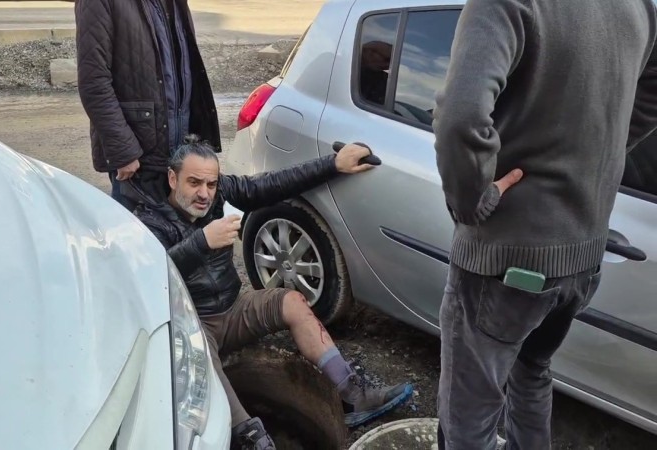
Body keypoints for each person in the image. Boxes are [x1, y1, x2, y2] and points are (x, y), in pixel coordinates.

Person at [431, 0, 657, 449]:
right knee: (531, 373)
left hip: (506, 261)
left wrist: (471, 201)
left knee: (468, 414)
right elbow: (650, 95)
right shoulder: (640, 7)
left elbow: (460, 117)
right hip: (582, 257)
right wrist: (594, 152)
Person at [135, 135, 414, 449]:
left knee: (292, 301)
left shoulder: (220, 192)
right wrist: (201, 242)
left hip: (234, 308)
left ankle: (352, 395)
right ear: (173, 179)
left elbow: (270, 184)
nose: (204, 194)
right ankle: (250, 438)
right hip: (193, 323)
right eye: (194, 182)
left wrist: (333, 164)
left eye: (211, 184)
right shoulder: (149, 221)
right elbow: (149, 276)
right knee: (201, 361)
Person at [75, 0, 220, 211]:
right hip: (139, 161)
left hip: (180, 158)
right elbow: (93, 83)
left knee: (182, 231)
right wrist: (124, 151)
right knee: (135, 231)